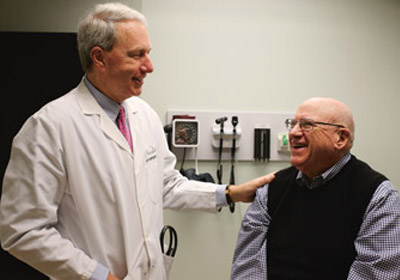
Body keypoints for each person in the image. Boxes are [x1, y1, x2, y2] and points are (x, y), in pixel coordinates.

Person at [0, 3, 275, 280]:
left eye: (148, 53)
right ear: (99, 58)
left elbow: (166, 184)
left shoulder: (143, 114)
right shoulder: (48, 127)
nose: (149, 66)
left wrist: (230, 193)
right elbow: (22, 230)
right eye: (137, 55)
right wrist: (97, 276)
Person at [231, 97, 400, 280]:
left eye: (307, 125)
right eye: (293, 124)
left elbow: (376, 274)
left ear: (341, 138)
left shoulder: (379, 197)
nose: (293, 133)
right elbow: (247, 266)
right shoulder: (271, 189)